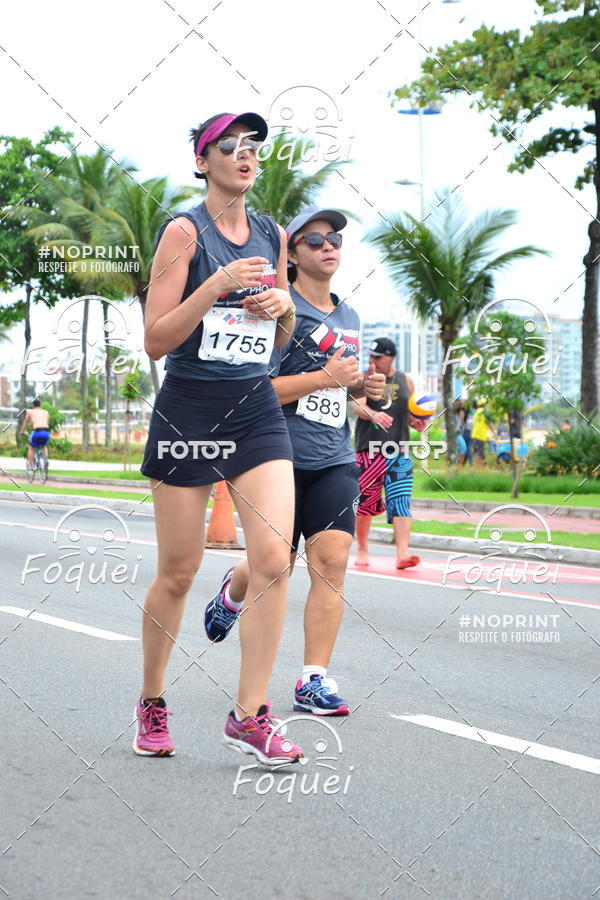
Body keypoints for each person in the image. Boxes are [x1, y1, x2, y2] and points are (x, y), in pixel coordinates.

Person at [136, 112, 302, 766]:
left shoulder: (272, 234)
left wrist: (280, 308)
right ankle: (152, 699)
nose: (244, 156)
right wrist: (217, 285)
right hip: (191, 410)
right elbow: (155, 338)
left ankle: (250, 714)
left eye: (252, 147)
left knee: (273, 558)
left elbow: (282, 343)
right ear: (202, 162)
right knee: (178, 572)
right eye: (228, 147)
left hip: (255, 408)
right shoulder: (183, 232)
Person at [204, 206, 385, 715]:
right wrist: (326, 378)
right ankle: (232, 594)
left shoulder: (349, 316)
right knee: (274, 563)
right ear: (292, 255)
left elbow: (340, 383)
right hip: (274, 457)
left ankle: (313, 680)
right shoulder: (275, 309)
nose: (329, 247)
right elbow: (256, 389)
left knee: (330, 563)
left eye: (336, 240)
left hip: (332, 458)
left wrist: (362, 389)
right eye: (315, 240)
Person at [352, 340, 424, 570]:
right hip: (368, 450)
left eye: (378, 358)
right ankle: (362, 548)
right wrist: (373, 415)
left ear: (391, 357)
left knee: (401, 501)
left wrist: (418, 422)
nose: (373, 361)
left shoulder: (406, 381)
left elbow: (411, 414)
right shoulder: (365, 378)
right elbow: (357, 406)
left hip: (399, 450)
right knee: (365, 503)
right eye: (371, 356)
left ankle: (402, 554)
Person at [20, 399, 50, 473]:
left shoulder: (31, 412)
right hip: (46, 432)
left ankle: (30, 467)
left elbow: (25, 424)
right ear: (40, 405)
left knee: (31, 448)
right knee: (44, 446)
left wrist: (22, 432)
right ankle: (45, 460)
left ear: (33, 406)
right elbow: (47, 422)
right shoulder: (46, 412)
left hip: (37, 432)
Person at [471, 400, 497, 467]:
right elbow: (489, 423)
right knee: (479, 453)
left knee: (480, 453)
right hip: (480, 435)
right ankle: (475, 468)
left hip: (474, 434)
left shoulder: (476, 412)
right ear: (484, 405)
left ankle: (483, 467)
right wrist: (494, 433)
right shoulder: (485, 412)